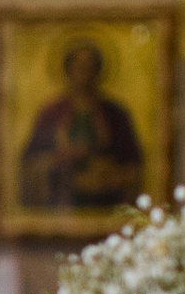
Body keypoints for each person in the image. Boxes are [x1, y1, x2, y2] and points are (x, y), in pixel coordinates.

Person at [16, 38, 145, 218]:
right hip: (61, 205)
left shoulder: (115, 114)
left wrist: (111, 174)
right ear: (68, 70)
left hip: (106, 205)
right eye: (79, 65)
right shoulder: (52, 113)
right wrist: (59, 160)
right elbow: (30, 163)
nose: (84, 71)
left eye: (90, 66)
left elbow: (133, 165)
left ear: (98, 70)